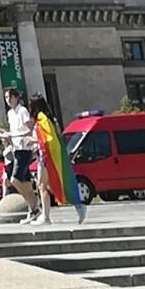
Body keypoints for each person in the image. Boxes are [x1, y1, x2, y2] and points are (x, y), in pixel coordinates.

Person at [29, 92, 86, 227]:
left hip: (45, 156)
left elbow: (48, 139)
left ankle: (46, 216)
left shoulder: (42, 119)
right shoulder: (46, 118)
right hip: (45, 155)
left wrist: (32, 140)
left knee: (42, 186)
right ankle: (76, 205)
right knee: (50, 185)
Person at [0, 87, 37, 220]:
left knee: (15, 179)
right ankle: (33, 208)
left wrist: (12, 134)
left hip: (24, 149)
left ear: (16, 97)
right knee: (25, 180)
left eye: (10, 97)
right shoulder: (10, 114)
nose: (8, 100)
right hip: (16, 149)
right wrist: (6, 135)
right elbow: (13, 132)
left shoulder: (22, 111)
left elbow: (28, 129)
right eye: (6, 98)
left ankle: (33, 205)